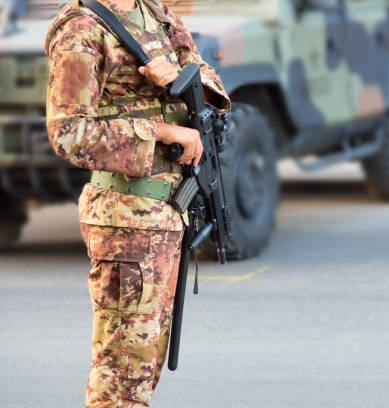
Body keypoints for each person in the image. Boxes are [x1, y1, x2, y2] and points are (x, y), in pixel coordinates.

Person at [44, 0, 231, 406]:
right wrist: (161, 132)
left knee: (145, 365)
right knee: (121, 373)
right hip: (125, 218)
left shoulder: (155, 12)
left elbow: (209, 79)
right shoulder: (81, 29)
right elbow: (69, 134)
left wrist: (179, 80)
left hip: (167, 214)